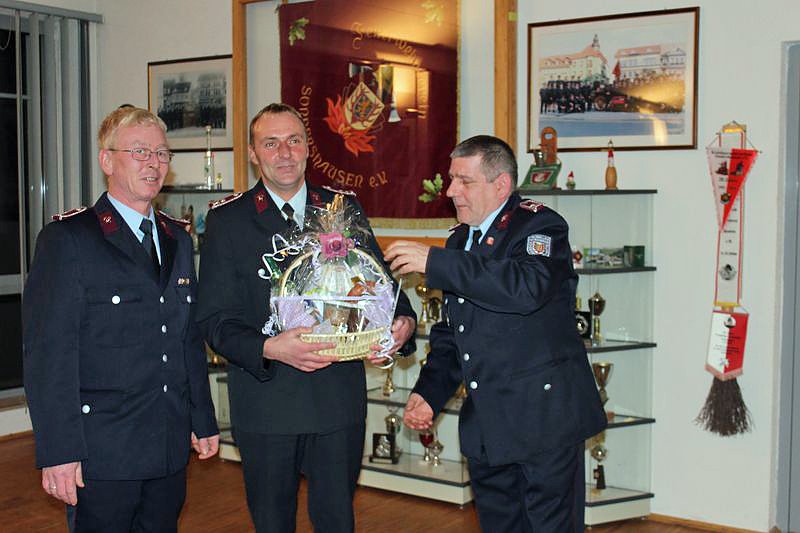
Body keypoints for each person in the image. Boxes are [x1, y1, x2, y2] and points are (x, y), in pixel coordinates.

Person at [195, 103, 416, 532]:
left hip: (336, 402)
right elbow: (214, 321)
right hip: (267, 403)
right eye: (270, 143)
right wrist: (270, 348)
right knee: (273, 522)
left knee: (337, 520)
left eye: (294, 140)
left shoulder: (342, 209)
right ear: (253, 153)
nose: (284, 152)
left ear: (308, 148)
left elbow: (382, 288)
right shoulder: (228, 221)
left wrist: (402, 324)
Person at [385, 135, 607, 532]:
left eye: (464, 181)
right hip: (489, 425)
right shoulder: (459, 240)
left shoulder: (541, 226)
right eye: (451, 179)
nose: (451, 191)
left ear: (501, 185)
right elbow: (455, 331)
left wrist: (435, 260)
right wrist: (428, 393)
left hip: (545, 422)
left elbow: (525, 288)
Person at [22, 106, 219, 532]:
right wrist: (58, 451)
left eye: (162, 154)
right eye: (140, 151)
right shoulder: (70, 239)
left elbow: (187, 338)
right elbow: (49, 355)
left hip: (167, 443)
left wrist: (202, 419)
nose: (154, 163)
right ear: (107, 160)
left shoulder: (178, 238)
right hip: (103, 449)